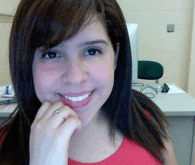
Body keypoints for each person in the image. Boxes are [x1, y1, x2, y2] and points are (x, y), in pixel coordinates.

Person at [0, 0, 177, 164]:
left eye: (92, 51)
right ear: (26, 63)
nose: (75, 77)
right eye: (51, 54)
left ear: (115, 55)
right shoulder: (5, 147)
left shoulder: (146, 120)